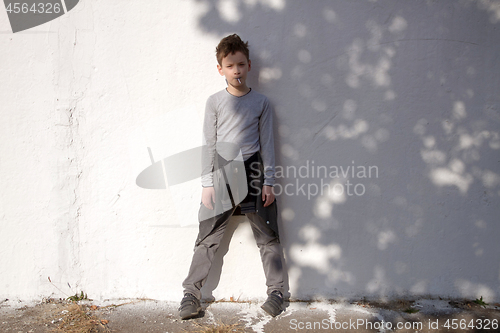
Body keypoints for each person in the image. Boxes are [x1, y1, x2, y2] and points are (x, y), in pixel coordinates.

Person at [179, 34, 285, 320]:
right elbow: (209, 145)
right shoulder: (214, 102)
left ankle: (277, 292)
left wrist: (270, 181)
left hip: (254, 173)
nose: (236, 70)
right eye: (230, 65)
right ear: (220, 69)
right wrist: (206, 184)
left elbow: (268, 144)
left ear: (249, 65)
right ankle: (191, 294)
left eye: (240, 64)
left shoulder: (261, 102)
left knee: (268, 236)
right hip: (223, 174)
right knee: (207, 238)